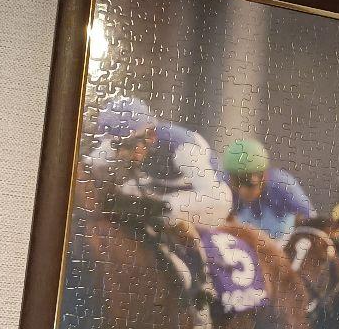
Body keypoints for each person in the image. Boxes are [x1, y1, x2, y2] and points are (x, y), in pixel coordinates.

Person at [87, 96, 232, 301]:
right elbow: (87, 167)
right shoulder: (126, 141)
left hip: (211, 197)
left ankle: (203, 280)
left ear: (150, 136)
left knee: (165, 212)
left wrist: (163, 206)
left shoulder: (182, 148)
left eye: (127, 146)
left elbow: (216, 197)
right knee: (127, 199)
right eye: (117, 146)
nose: (122, 154)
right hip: (162, 190)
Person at [221, 137, 314, 247]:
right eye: (237, 183)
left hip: (284, 246)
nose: (243, 191)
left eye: (249, 183)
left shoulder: (282, 185)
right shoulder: (224, 186)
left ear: (264, 175)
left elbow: (311, 219)